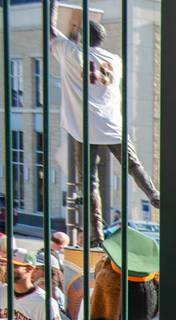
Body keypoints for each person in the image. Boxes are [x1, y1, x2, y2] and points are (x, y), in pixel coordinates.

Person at [50, 19, 161, 241]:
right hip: (112, 124)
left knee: (89, 181)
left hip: (86, 128)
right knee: (133, 164)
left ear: (83, 36)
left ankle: (96, 231)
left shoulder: (73, 53)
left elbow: (51, 32)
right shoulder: (115, 61)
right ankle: (153, 194)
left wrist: (54, 9)